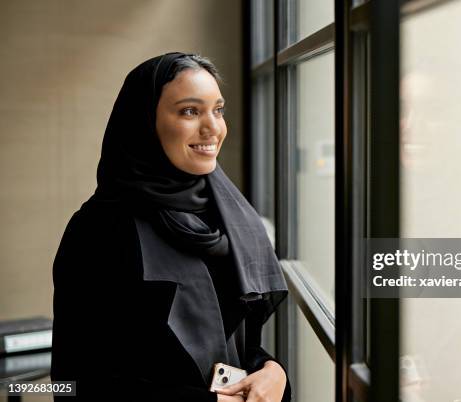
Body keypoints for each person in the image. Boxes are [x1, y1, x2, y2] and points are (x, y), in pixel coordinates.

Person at [50, 52, 291, 402]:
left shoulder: (231, 220)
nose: (213, 128)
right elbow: (75, 385)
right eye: (190, 111)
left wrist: (273, 372)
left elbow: (237, 345)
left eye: (218, 110)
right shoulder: (98, 230)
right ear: (144, 121)